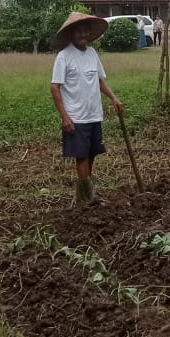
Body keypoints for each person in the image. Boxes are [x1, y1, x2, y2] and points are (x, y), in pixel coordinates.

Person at [50, 12, 124, 205]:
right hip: (76, 117)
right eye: (79, 31)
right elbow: (55, 87)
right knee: (81, 156)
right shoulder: (64, 56)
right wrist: (65, 117)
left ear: (90, 34)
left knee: (91, 154)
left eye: (85, 31)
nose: (82, 34)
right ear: (72, 33)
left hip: (94, 114)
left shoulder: (92, 53)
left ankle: (85, 194)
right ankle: (86, 198)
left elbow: (99, 81)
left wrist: (114, 98)